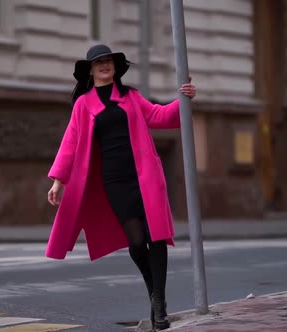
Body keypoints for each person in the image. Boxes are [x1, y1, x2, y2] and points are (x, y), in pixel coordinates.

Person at [45, 44, 196, 330]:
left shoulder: (131, 97)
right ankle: (154, 292)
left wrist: (184, 99)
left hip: (146, 176)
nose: (104, 65)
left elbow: (160, 116)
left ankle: (159, 304)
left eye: (108, 61)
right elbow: (70, 144)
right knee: (137, 242)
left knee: (157, 237)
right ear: (90, 70)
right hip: (114, 181)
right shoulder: (83, 104)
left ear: (115, 67)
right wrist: (58, 181)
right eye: (98, 62)